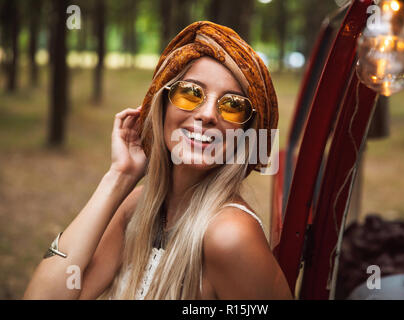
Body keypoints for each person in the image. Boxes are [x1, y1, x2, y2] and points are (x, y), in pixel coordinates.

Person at [23, 21, 292, 300]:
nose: (208, 115)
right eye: (190, 92)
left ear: (245, 134)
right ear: (161, 105)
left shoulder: (229, 236)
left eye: (233, 106)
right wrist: (119, 177)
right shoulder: (138, 209)